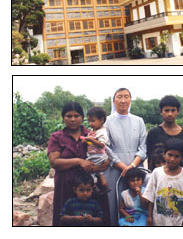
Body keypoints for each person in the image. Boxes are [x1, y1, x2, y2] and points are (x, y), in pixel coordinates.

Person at [47, 102, 110, 226]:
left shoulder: (92, 135)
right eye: (68, 116)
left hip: (89, 186)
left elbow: (105, 153)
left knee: (92, 219)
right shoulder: (57, 137)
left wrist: (101, 167)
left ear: (82, 117)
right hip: (65, 185)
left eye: (76, 116)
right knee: (66, 218)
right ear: (63, 118)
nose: (72, 119)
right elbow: (54, 162)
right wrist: (79, 161)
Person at [104, 88, 147, 226]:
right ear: (114, 100)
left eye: (126, 97)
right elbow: (105, 147)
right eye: (119, 97)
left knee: (138, 201)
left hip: (135, 169)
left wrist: (132, 165)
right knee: (115, 202)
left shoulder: (139, 121)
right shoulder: (107, 121)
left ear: (130, 100)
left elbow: (143, 146)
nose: (123, 100)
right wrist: (122, 165)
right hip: (115, 168)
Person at [143, 138, 183, 226]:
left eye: (177, 156)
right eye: (170, 155)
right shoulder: (157, 172)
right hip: (158, 220)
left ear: (182, 158)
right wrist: (150, 216)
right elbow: (151, 196)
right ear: (164, 154)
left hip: (177, 221)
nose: (172, 159)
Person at [146, 95, 183, 171]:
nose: (170, 114)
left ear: (177, 112)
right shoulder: (153, 133)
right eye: (166, 110)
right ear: (161, 112)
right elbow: (150, 159)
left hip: (180, 176)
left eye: (173, 110)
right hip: (159, 177)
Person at [80, 107, 110, 194]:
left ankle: (94, 186)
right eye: (89, 121)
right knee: (100, 172)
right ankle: (104, 185)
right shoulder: (94, 131)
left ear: (101, 120)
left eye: (92, 121)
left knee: (90, 171)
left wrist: (91, 140)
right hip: (96, 154)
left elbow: (101, 145)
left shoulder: (102, 132)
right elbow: (92, 144)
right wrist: (87, 141)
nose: (90, 123)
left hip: (98, 155)